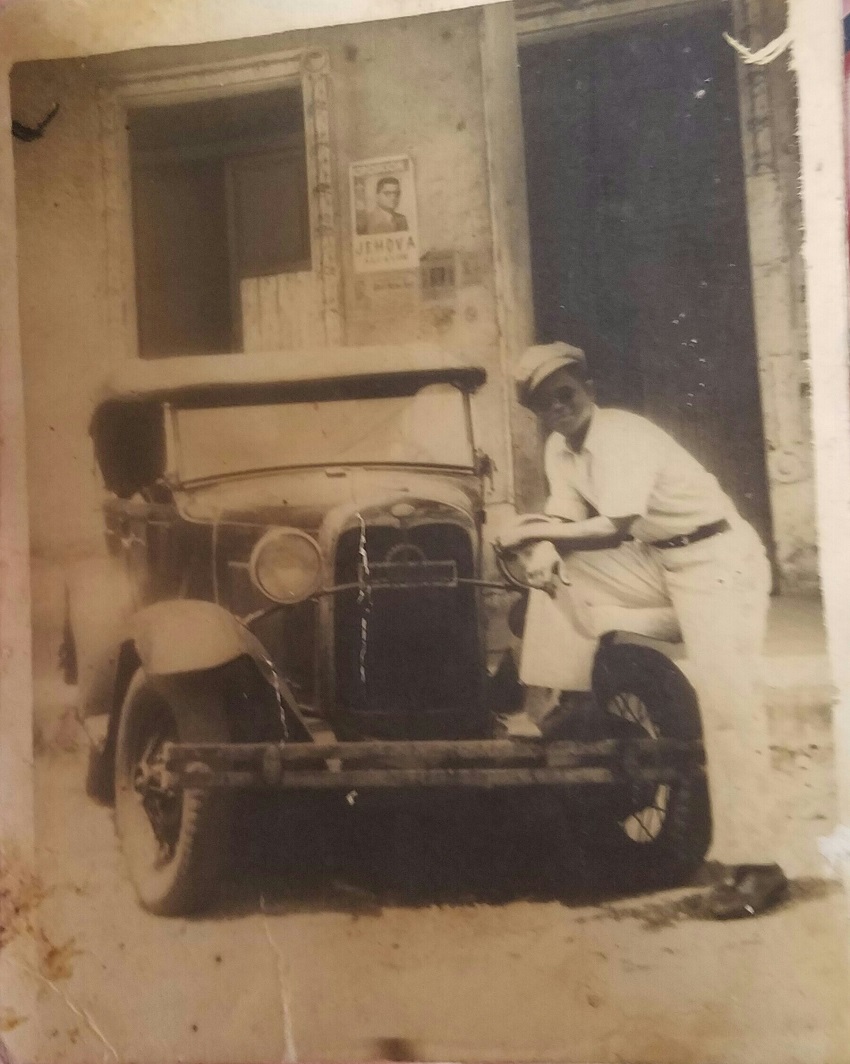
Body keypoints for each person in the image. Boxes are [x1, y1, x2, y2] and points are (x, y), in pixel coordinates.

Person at [496, 340, 789, 919]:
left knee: (730, 706)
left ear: (589, 390)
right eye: (545, 404)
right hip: (658, 564)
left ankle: (762, 866)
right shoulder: (561, 449)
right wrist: (545, 545)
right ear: (535, 414)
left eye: (567, 394)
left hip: (718, 563)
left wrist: (532, 531)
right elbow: (568, 517)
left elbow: (613, 528)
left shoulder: (622, 434)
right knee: (549, 571)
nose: (560, 409)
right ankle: (556, 702)